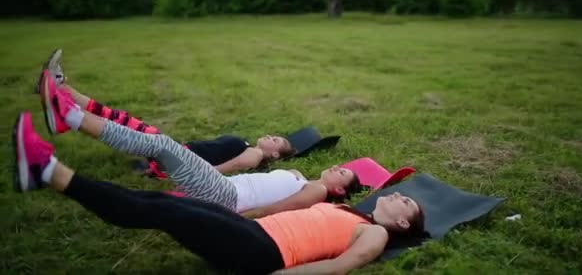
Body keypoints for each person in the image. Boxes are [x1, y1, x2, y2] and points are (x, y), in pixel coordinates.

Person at [12, 111, 425, 274]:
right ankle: (45, 171)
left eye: (405, 200)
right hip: (253, 231)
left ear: (403, 221)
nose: (397, 196)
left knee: (162, 213)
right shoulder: (355, 215)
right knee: (158, 204)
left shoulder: (377, 233)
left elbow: (339, 267)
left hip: (262, 252)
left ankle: (48, 170)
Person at [37, 69, 361, 217]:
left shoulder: (317, 191)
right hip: (222, 188)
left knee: (159, 144)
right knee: (157, 143)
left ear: (340, 191)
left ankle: (70, 116)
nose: (337, 168)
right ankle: (70, 114)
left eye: (343, 174)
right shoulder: (305, 180)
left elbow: (279, 209)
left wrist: (244, 220)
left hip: (225, 196)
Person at [36, 49, 296, 176]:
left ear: (274, 153)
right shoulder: (249, 145)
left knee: (118, 124)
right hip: (172, 151)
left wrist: (185, 173)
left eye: (277, 140)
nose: (272, 135)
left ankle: (63, 107)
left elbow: (234, 166)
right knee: (118, 120)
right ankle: (59, 88)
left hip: (173, 155)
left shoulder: (254, 154)